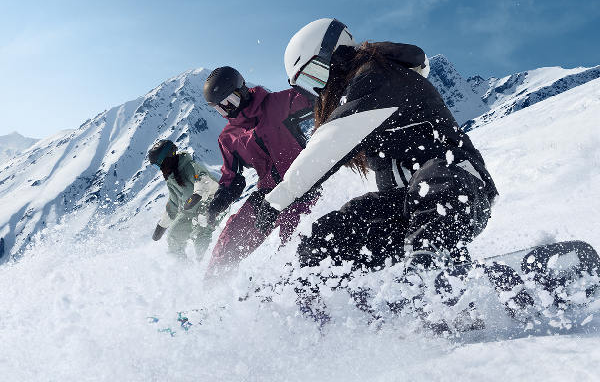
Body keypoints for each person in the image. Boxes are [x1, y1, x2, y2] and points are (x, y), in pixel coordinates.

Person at [255, 18, 498, 277]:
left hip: (461, 186)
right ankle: (306, 289)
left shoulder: (380, 77)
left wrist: (277, 199)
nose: (319, 88)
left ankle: (431, 270)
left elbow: (330, 143)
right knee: (334, 232)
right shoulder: (358, 98)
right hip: (407, 206)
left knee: (431, 184)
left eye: (316, 74)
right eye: (308, 84)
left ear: (335, 54)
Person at [203, 66, 315, 276]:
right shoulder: (228, 137)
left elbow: (318, 99)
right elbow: (232, 178)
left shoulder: (278, 104)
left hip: (303, 187)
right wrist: (218, 202)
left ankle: (296, 286)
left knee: (295, 249)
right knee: (229, 240)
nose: (228, 111)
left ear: (242, 89)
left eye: (230, 101)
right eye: (221, 109)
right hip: (268, 195)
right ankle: (213, 288)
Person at [149, 139, 220, 260]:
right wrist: (161, 226)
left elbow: (202, 179)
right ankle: (181, 267)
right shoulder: (172, 179)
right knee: (173, 236)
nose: (160, 169)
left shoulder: (190, 167)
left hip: (212, 204)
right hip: (190, 211)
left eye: (158, 164)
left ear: (167, 159)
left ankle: (202, 263)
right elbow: (173, 203)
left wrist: (197, 195)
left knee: (201, 229)